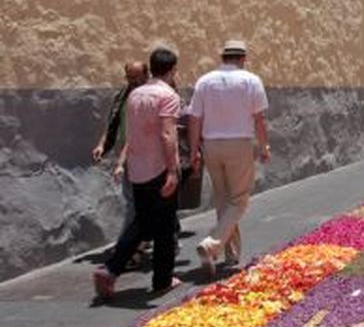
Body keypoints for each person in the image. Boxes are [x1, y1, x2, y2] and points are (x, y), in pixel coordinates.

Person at [93, 48, 182, 299]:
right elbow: (167, 134)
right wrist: (173, 171)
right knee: (164, 227)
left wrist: (125, 161)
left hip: (138, 168)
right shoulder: (168, 95)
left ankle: (111, 268)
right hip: (159, 168)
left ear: (151, 68)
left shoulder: (135, 95)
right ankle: (162, 280)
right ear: (172, 69)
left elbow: (130, 134)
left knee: (142, 222)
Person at [190, 40, 270, 276]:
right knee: (240, 199)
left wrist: (195, 149)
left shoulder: (204, 81)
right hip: (239, 143)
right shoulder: (250, 80)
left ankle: (230, 254)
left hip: (211, 145)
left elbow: (195, 118)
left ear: (223, 57)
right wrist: (264, 145)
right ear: (243, 58)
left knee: (224, 199)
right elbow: (259, 119)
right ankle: (212, 243)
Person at [93, 62, 149, 232]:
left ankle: (156, 238)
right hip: (129, 155)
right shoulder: (122, 96)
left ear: (146, 75)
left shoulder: (150, 96)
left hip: (150, 154)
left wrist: (120, 163)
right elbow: (113, 123)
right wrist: (102, 145)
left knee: (152, 198)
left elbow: (139, 131)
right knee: (131, 198)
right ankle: (137, 241)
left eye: (136, 77)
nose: (132, 81)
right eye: (129, 77)